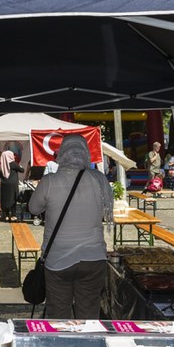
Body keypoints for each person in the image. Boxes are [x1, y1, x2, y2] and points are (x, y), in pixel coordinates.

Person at [28, 134, 113, 319]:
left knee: (59, 315)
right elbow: (106, 212)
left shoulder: (50, 181)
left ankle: (61, 346)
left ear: (62, 153)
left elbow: (33, 208)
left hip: (58, 260)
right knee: (89, 314)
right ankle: (87, 345)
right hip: (93, 257)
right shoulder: (99, 179)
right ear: (85, 153)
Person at [0, 149, 24, 222]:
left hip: (4, 184)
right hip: (13, 184)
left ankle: (6, 215)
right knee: (13, 199)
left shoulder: (1, 165)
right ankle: (13, 215)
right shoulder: (13, 163)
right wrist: (20, 166)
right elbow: (22, 170)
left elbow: (0, 175)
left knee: (5, 199)